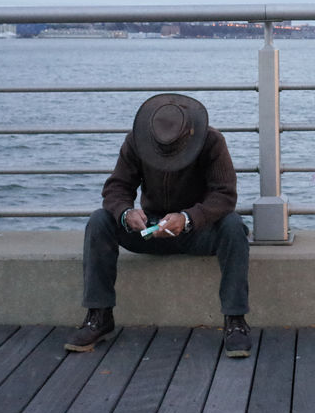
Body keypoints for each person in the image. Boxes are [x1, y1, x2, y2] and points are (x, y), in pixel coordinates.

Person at [66, 93, 252, 357]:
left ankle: (235, 322)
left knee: (233, 227)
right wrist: (126, 212)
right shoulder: (136, 141)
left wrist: (188, 218)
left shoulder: (212, 142)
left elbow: (224, 195)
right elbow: (116, 188)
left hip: (195, 230)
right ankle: (99, 315)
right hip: (148, 229)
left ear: (190, 131)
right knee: (100, 220)